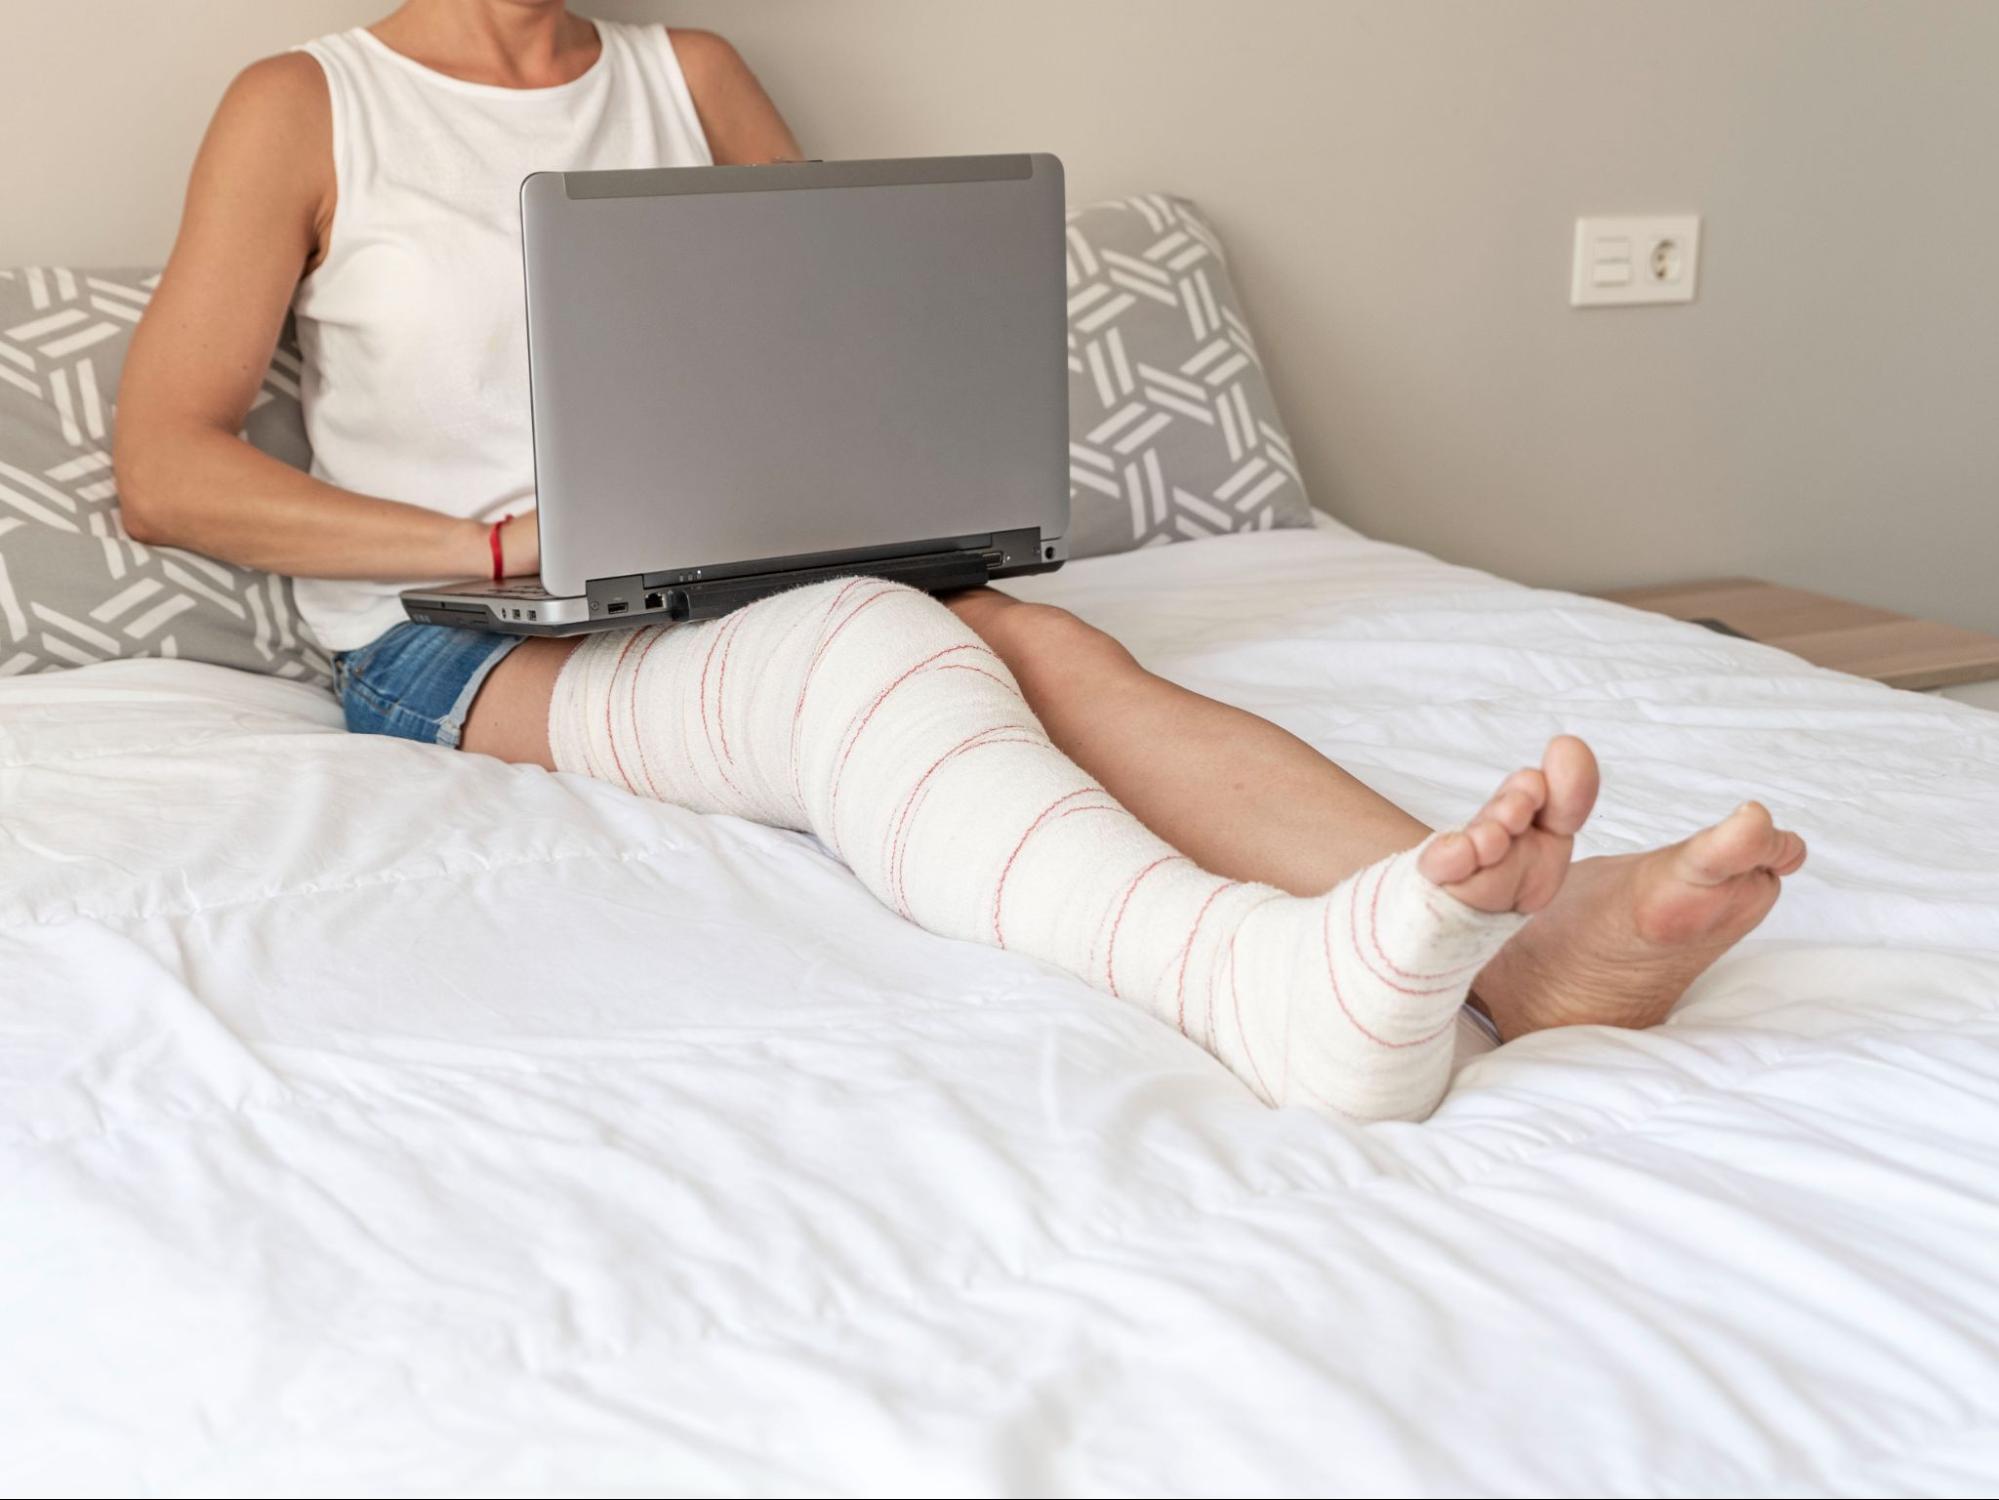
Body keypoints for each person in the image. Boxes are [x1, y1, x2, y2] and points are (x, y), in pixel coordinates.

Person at [113, 1, 1806, 1122]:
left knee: (1061, 655)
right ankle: (1255, 982)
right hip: (451, 639)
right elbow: (166, 470)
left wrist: (861, 491)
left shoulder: (689, 73)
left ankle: (1529, 940)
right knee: (869, 650)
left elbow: (836, 341)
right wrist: (490, 540)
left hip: (730, 567)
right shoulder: (307, 102)